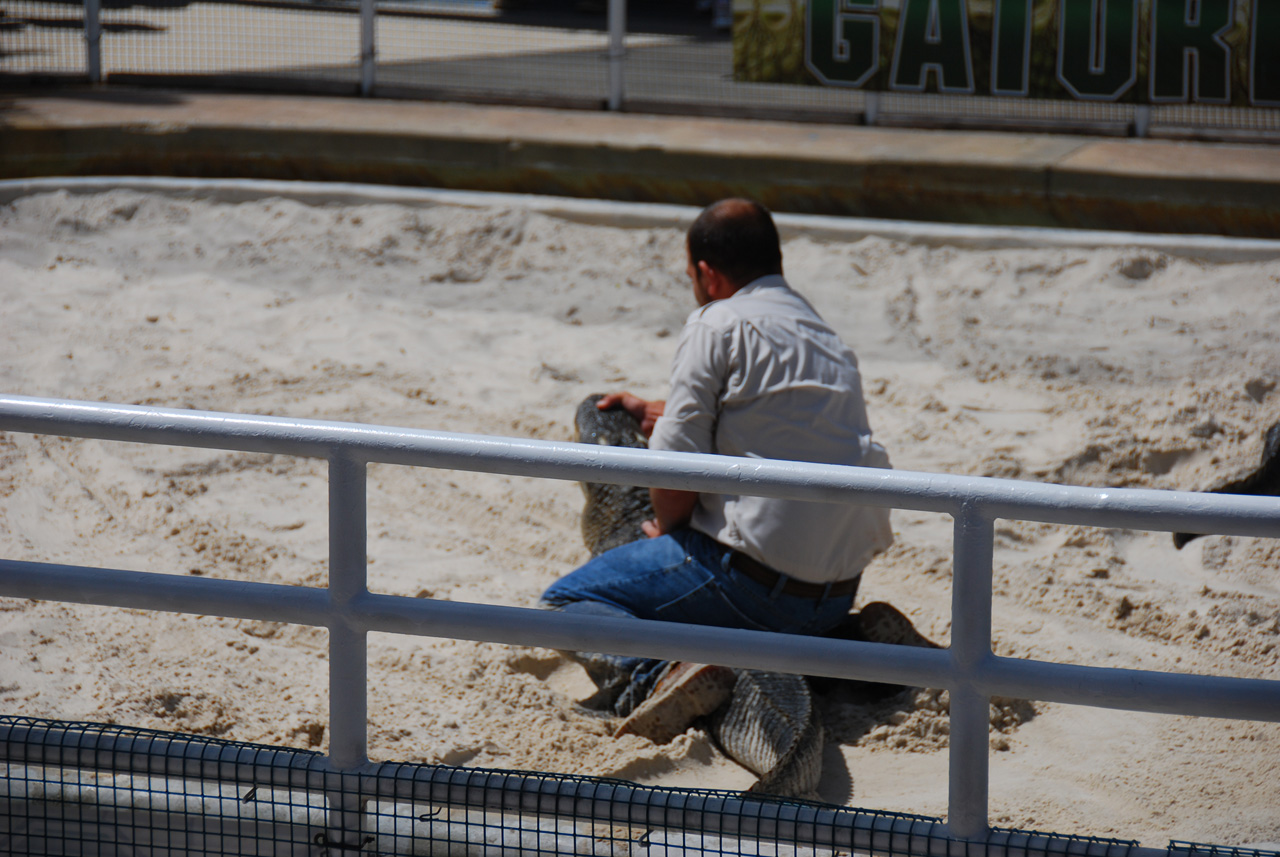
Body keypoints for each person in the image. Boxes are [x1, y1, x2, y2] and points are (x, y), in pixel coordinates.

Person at [540, 198, 894, 723]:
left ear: (707, 273)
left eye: (691, 275)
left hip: (750, 587)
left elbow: (674, 469)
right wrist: (655, 411)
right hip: (835, 592)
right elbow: (774, 423)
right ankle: (849, 643)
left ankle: (656, 675)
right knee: (759, 585)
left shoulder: (716, 321)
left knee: (564, 603)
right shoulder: (828, 339)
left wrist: (668, 528)